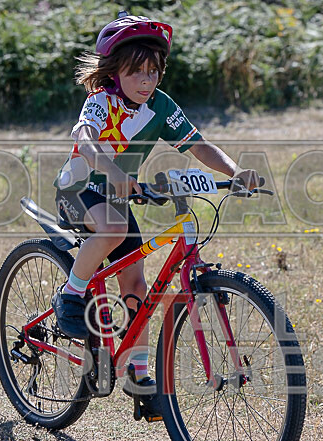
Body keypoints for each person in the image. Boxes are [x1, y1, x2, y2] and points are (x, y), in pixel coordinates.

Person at [52, 11, 260, 414]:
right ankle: (71, 295)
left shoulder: (160, 105)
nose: (146, 82)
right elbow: (86, 140)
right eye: (136, 73)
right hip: (77, 189)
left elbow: (199, 145)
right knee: (112, 228)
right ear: (115, 71)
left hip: (115, 199)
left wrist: (235, 171)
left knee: (136, 285)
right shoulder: (102, 101)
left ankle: (140, 376)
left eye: (153, 73)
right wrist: (111, 169)